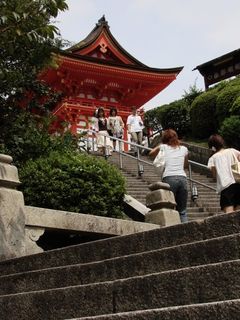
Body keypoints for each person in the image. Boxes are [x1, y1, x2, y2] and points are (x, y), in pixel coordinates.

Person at [149, 129, 189, 223]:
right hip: (182, 178)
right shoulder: (184, 149)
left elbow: (150, 153)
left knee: (169, 208)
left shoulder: (163, 147)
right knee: (182, 210)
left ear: (165, 138)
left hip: (168, 178)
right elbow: (186, 165)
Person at [207, 134, 240, 213]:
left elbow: (214, 176)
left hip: (226, 188)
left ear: (212, 146)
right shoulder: (232, 151)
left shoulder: (213, 158)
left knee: (229, 216)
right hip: (238, 184)